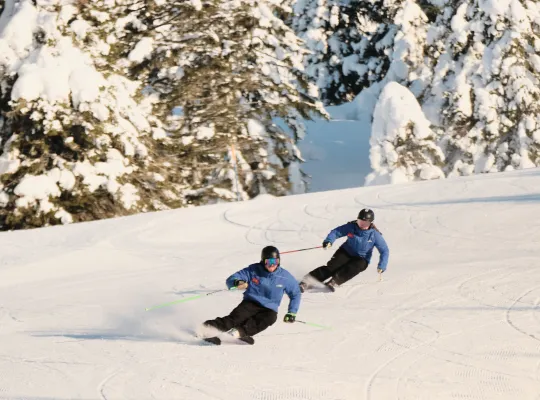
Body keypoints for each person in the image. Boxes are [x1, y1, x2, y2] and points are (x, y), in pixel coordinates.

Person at [200, 245, 301, 345]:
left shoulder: (285, 276)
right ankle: (206, 328)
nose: (272, 265)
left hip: (269, 308)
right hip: (251, 302)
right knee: (236, 318)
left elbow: (295, 293)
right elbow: (232, 278)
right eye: (268, 262)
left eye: (275, 261)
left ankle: (237, 333)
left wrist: (292, 312)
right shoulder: (253, 270)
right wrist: (237, 282)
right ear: (263, 261)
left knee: (269, 318)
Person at [299, 208, 389, 293]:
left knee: (354, 267)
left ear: (370, 223)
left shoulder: (375, 235)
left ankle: (334, 281)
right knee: (332, 267)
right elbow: (336, 232)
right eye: (360, 222)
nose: (362, 225)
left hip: (362, 258)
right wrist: (329, 241)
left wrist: (382, 265)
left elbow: (384, 250)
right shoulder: (351, 227)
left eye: (365, 223)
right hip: (346, 251)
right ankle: (307, 281)